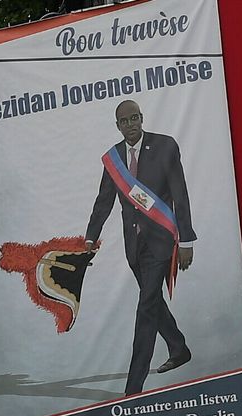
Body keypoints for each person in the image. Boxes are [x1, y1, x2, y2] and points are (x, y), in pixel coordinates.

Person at [82, 98, 196, 396]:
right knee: (153, 300)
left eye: (135, 118)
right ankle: (179, 347)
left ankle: (134, 385)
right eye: (125, 121)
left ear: (142, 118)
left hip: (161, 241)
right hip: (134, 245)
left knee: (145, 307)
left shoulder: (165, 146)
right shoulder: (114, 159)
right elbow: (103, 201)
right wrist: (90, 238)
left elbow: (180, 195)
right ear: (117, 126)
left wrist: (185, 239)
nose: (131, 125)